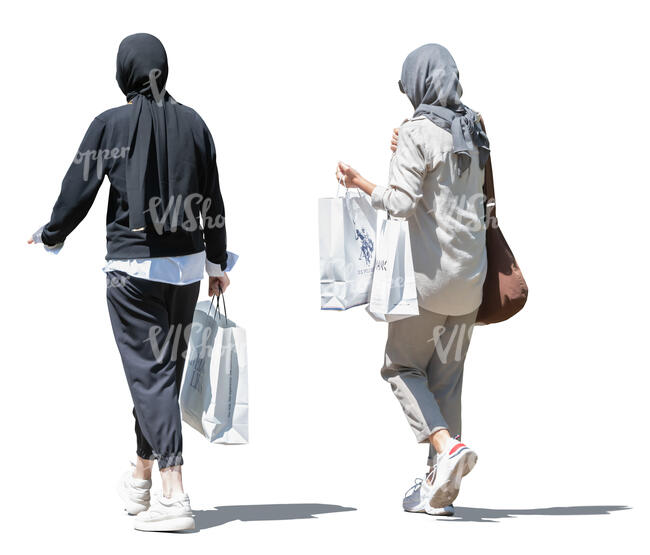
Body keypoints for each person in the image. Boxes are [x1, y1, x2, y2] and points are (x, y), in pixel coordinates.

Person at [28, 33, 230, 532]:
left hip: (132, 272)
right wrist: (217, 263)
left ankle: (173, 490)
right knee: (162, 374)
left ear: (126, 71)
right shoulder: (196, 123)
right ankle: (140, 478)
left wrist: (51, 233)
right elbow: (213, 198)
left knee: (151, 377)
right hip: (184, 270)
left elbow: (79, 188)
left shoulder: (111, 125)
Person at [336, 44, 490, 517]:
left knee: (400, 367)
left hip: (429, 284)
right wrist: (405, 146)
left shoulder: (417, 131)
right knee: (448, 381)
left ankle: (446, 449)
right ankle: (437, 489)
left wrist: (360, 181)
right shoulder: (476, 126)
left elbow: (401, 203)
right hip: (472, 282)